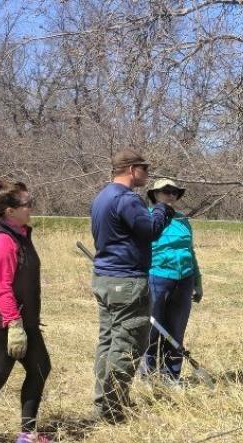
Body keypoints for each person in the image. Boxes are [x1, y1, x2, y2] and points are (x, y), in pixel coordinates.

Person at [89, 149, 174, 423]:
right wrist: (163, 207)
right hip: (126, 282)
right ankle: (112, 411)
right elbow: (150, 230)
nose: (147, 175)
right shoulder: (127, 199)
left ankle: (108, 402)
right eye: (145, 170)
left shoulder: (101, 197)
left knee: (109, 342)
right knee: (127, 346)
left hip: (104, 279)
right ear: (131, 169)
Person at [0, 175, 52, 443]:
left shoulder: (20, 233)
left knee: (40, 367)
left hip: (22, 318)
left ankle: (27, 435)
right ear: (10, 211)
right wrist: (14, 326)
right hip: (0, 320)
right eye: (28, 203)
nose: (32, 207)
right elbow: (1, 288)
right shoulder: (1, 241)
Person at [140, 179, 202, 383]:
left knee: (176, 330)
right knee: (153, 329)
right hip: (156, 277)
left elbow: (190, 252)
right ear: (155, 195)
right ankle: (148, 376)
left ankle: (171, 377)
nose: (171, 195)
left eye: (174, 192)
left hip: (184, 280)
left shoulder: (183, 220)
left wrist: (197, 283)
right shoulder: (146, 218)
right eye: (166, 191)